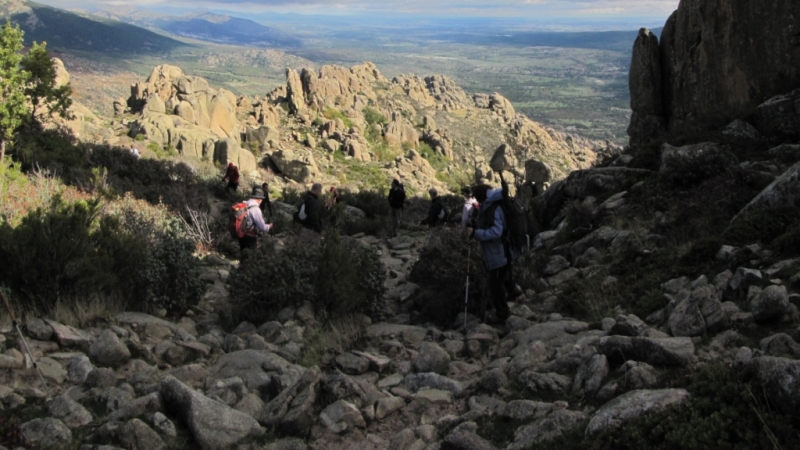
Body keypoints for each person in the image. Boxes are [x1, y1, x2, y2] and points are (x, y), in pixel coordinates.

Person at [466, 184, 518, 324]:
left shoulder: (492, 208)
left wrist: (476, 233)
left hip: (498, 253)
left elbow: (496, 232)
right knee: (498, 281)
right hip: (502, 251)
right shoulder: (493, 204)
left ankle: (502, 314)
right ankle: (512, 291)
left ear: (481, 197)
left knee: (495, 285)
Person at [239, 186, 273, 251]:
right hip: (250, 237)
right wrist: (270, 226)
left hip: (241, 233)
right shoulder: (255, 209)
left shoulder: (245, 203)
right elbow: (262, 227)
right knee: (250, 256)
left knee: (243, 252)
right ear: (259, 199)